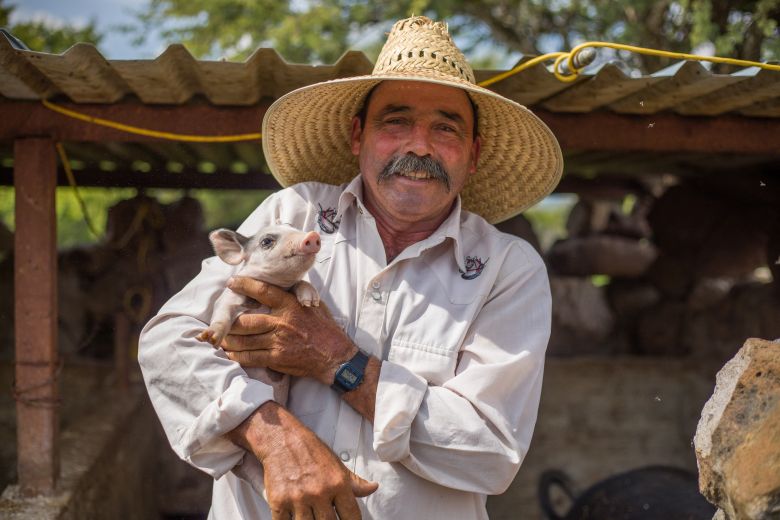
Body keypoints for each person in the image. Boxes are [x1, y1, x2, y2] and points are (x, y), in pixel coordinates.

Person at [139, 15, 563, 520]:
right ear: (358, 136)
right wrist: (273, 435)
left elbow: (490, 451)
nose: (419, 146)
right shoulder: (295, 215)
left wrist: (337, 360)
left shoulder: (505, 268)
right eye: (396, 122)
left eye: (446, 128)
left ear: (473, 155)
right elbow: (168, 342)